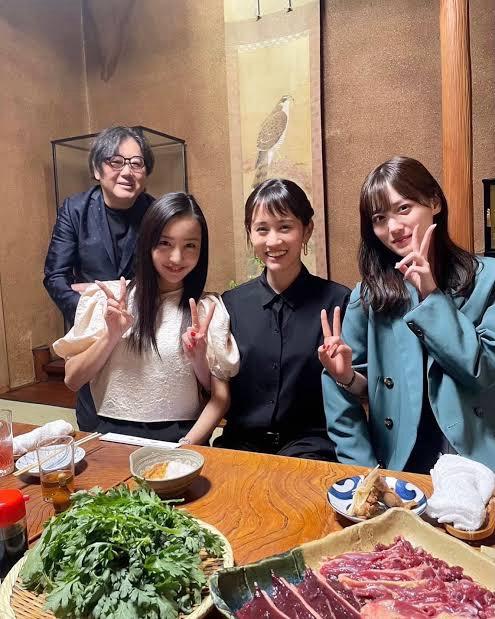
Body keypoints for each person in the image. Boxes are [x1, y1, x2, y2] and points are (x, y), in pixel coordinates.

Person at [321, 156, 495, 473]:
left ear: (434, 202)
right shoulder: (370, 296)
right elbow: (345, 394)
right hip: (400, 467)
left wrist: (431, 295)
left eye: (403, 208)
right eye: (379, 218)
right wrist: (366, 474)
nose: (393, 228)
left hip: (477, 464)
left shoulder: (489, 280)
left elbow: (484, 371)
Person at [52, 193, 239, 443]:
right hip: (109, 437)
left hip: (182, 437)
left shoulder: (206, 309)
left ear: (201, 250)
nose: (176, 257)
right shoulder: (110, 300)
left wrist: (186, 447)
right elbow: (72, 380)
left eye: (190, 245)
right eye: (165, 243)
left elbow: (220, 398)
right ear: (147, 242)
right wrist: (111, 335)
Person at [217, 179, 350, 460]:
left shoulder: (337, 302)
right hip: (241, 446)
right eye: (262, 229)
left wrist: (345, 375)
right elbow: (219, 387)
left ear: (307, 230)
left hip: (312, 448)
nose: (273, 241)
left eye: (285, 227)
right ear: (250, 233)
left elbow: (358, 388)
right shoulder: (232, 304)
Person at [44, 126, 155, 431]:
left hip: (140, 331)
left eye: (136, 163)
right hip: (92, 336)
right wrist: (94, 312)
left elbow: (166, 277)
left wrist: (100, 292)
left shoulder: (156, 213)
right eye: (115, 161)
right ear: (96, 169)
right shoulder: (75, 209)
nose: (127, 171)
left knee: (141, 417)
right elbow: (55, 276)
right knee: (94, 423)